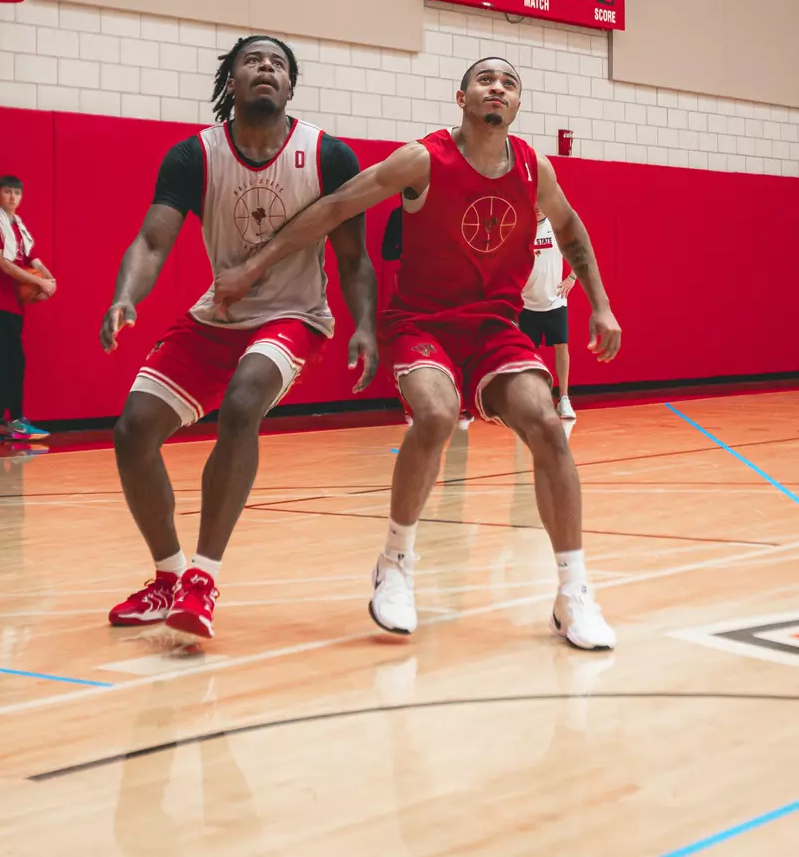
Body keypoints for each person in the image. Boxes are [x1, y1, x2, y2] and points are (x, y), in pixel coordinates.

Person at [214, 57, 622, 650]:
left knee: (548, 425)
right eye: (486, 79)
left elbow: (573, 231)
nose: (497, 88)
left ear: (516, 105)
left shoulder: (536, 169)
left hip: (493, 328)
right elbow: (334, 207)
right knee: (434, 415)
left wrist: (601, 305)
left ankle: (573, 593)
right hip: (423, 322)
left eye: (508, 83)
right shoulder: (423, 159)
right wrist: (254, 265)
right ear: (462, 97)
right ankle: (396, 563)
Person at [100, 35, 378, 641]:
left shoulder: (327, 155)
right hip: (219, 312)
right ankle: (168, 576)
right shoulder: (193, 156)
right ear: (231, 79)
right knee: (132, 432)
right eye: (253, 60)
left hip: (295, 314)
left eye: (278, 64)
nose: (266, 69)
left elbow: (354, 259)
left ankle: (203, 578)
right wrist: (127, 295)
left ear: (290, 87)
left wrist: (365, 327)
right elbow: (151, 243)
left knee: (245, 399)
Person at [0, 175, 56, 440]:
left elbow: (32, 257)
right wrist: (38, 281)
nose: (12, 197)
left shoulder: (17, 227)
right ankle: (14, 420)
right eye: (7, 192)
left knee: (9, 360)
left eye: (17, 193)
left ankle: (0, 421)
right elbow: (3, 264)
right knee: (11, 359)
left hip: (12, 304)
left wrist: (49, 279)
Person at [383, 204, 474, 431]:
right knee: (413, 345)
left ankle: (458, 402)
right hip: (412, 288)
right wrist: (411, 251)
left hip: (446, 286)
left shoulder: (443, 210)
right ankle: (411, 405)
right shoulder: (398, 215)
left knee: (451, 342)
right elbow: (387, 251)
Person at [519, 207, 578, 420]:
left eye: (540, 203)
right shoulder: (523, 229)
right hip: (527, 303)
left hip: (555, 301)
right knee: (527, 354)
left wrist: (572, 278)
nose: (536, 208)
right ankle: (530, 399)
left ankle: (564, 399)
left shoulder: (557, 228)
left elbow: (577, 251)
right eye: (533, 203)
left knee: (562, 348)